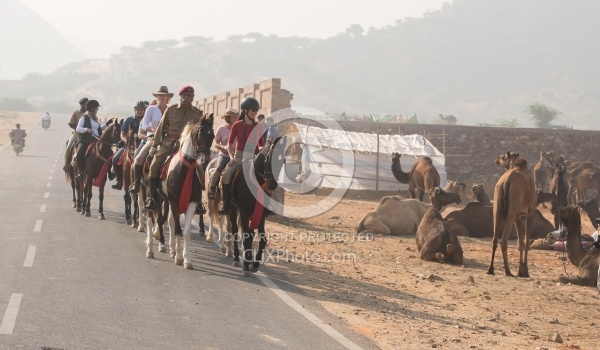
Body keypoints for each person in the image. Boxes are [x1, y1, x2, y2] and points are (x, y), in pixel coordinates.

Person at [144, 85, 202, 211]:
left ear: (193, 97)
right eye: (184, 95)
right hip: (169, 144)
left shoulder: (198, 113)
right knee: (154, 166)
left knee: (200, 170)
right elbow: (160, 128)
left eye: (189, 95)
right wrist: (154, 145)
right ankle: (152, 198)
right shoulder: (171, 110)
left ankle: (198, 201)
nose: (186, 97)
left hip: (188, 148)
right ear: (180, 97)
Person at [218, 97, 264, 214]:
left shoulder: (258, 126)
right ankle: (225, 203)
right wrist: (232, 157)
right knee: (227, 175)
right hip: (239, 156)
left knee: (267, 177)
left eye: (256, 110)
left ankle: (265, 206)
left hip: (253, 157)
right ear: (245, 110)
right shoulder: (237, 125)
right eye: (253, 110)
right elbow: (229, 145)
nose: (255, 112)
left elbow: (261, 145)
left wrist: (266, 148)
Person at [129, 86, 173, 194]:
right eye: (159, 95)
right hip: (153, 139)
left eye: (163, 95)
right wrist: (153, 130)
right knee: (139, 159)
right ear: (157, 97)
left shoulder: (171, 110)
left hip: (168, 140)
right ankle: (136, 183)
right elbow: (144, 124)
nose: (161, 97)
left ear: (168, 97)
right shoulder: (151, 109)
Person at [110, 100, 147, 190]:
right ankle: (119, 180)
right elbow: (122, 133)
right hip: (128, 145)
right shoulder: (128, 119)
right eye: (137, 109)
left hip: (143, 144)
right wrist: (125, 140)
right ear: (135, 109)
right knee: (115, 159)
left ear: (144, 110)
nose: (139, 111)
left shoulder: (146, 120)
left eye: (141, 109)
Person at [207, 108, 239, 200]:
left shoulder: (239, 129)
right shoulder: (221, 129)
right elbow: (216, 144)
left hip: (237, 156)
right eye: (234, 117)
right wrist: (223, 148)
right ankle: (212, 189)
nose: (236, 119)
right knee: (219, 167)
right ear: (228, 118)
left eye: (237, 117)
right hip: (224, 155)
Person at [74, 100, 103, 179]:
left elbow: (97, 129)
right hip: (86, 140)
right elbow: (78, 128)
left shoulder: (94, 118)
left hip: (96, 140)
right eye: (97, 108)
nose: (98, 109)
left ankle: (109, 172)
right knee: (79, 153)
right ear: (93, 108)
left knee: (108, 151)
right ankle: (80, 172)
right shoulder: (84, 117)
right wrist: (86, 129)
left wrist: (107, 124)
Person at [64, 97, 88, 171]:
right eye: (85, 104)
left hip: (88, 135)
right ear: (81, 104)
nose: (86, 106)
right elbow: (71, 123)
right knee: (69, 146)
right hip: (76, 134)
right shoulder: (76, 113)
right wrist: (79, 128)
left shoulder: (89, 113)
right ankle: (67, 164)